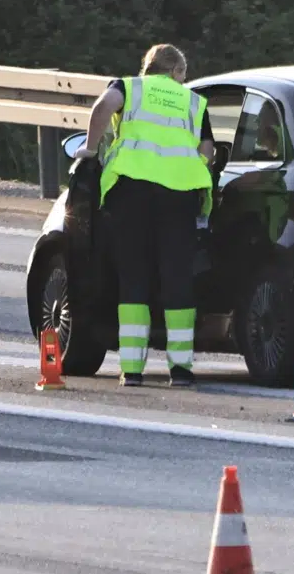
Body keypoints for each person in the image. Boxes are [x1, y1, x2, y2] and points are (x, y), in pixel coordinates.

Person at [76, 44, 216, 387]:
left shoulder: (129, 87)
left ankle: (133, 370)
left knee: (134, 276)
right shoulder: (193, 102)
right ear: (177, 72)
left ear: (147, 68)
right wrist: (190, 169)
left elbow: (101, 107)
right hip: (180, 194)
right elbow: (208, 151)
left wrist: (91, 149)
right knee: (177, 277)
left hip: (132, 193)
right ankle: (181, 370)